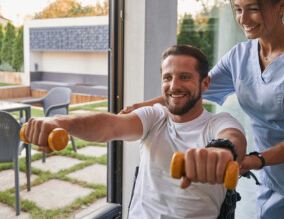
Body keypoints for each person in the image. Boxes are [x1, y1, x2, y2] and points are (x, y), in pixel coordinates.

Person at [122, 0, 284, 218]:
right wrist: (143, 106)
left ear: (281, 4)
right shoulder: (239, 56)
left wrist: (249, 161)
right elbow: (193, 91)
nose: (243, 18)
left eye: (253, 8)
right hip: (271, 181)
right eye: (238, 9)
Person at [25, 45, 247, 218]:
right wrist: (60, 122)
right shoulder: (156, 116)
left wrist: (222, 150)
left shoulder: (218, 123)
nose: (174, 85)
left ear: (205, 83)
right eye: (167, 77)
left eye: (185, 77)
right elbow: (110, 126)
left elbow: (233, 138)